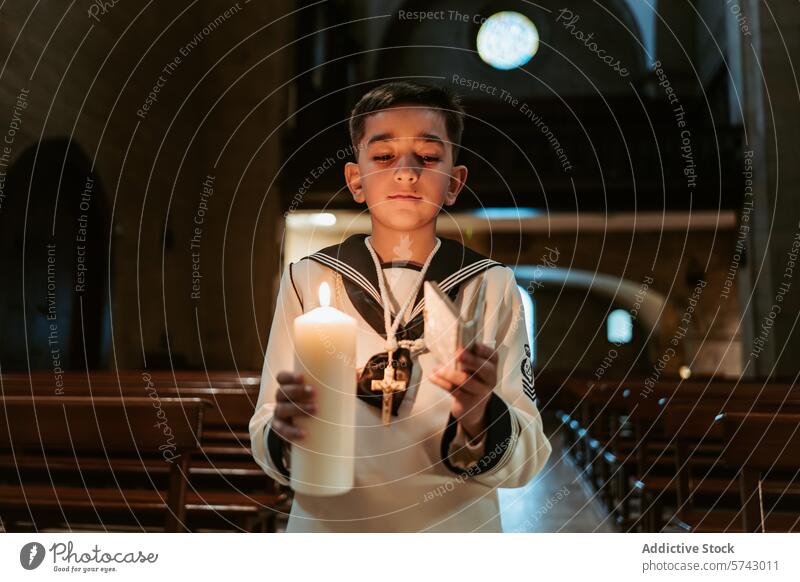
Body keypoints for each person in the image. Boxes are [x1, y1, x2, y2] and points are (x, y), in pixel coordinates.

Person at [249, 81, 551, 532]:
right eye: (384, 156)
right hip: (330, 533)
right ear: (356, 179)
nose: (406, 172)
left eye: (428, 157)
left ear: (454, 182)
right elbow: (266, 425)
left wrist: (479, 415)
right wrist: (289, 429)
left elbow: (528, 459)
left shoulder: (490, 285)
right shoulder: (308, 279)